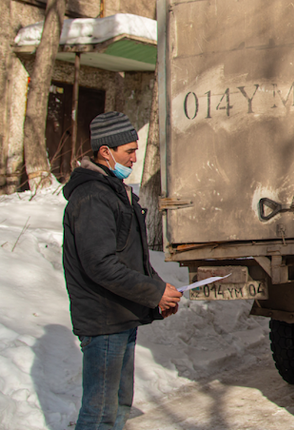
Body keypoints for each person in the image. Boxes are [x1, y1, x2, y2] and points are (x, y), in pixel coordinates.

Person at [62, 111, 183, 430]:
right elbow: (100, 264)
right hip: (104, 321)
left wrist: (157, 294)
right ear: (105, 152)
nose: (134, 158)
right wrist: (154, 292)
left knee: (117, 407)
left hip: (121, 315)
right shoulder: (92, 197)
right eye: (128, 151)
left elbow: (129, 257)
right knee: (99, 413)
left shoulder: (113, 191)